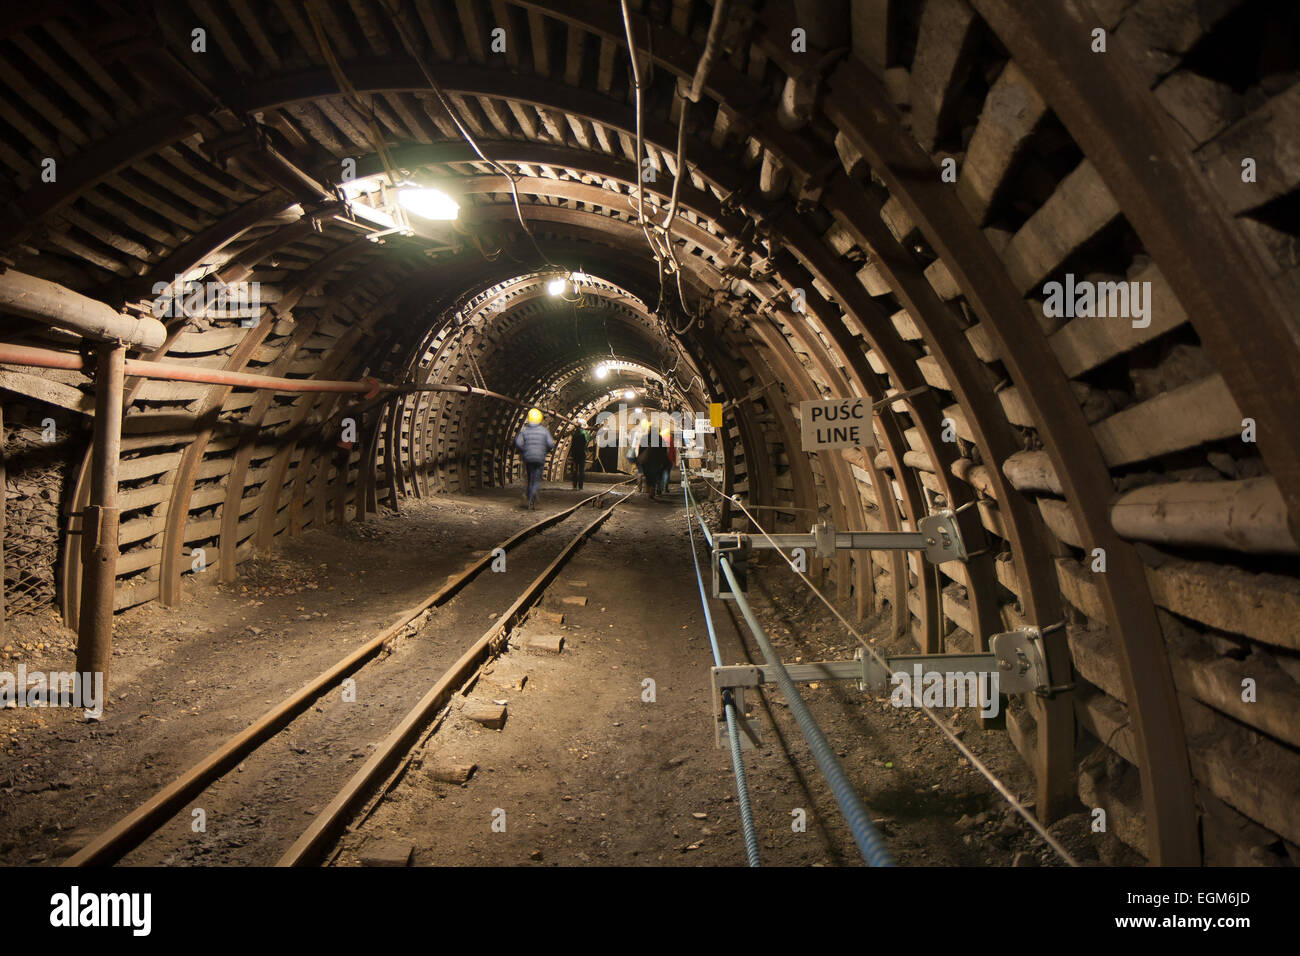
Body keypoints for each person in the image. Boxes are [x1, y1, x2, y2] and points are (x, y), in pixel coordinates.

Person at [514, 408, 555, 510]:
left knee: (530, 478)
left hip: (528, 458)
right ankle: (532, 498)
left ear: (529, 419)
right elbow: (551, 444)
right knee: (536, 479)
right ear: (540, 419)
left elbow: (518, 443)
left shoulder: (524, 431)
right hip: (540, 458)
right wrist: (545, 451)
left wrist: (523, 451)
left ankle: (529, 498)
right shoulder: (544, 431)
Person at [570, 420, 591, 490]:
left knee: (575, 470)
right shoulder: (585, 433)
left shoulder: (574, 433)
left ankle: (574, 486)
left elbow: (572, 445)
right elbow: (587, 442)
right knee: (581, 470)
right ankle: (581, 486)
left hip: (575, 454)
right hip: (582, 454)